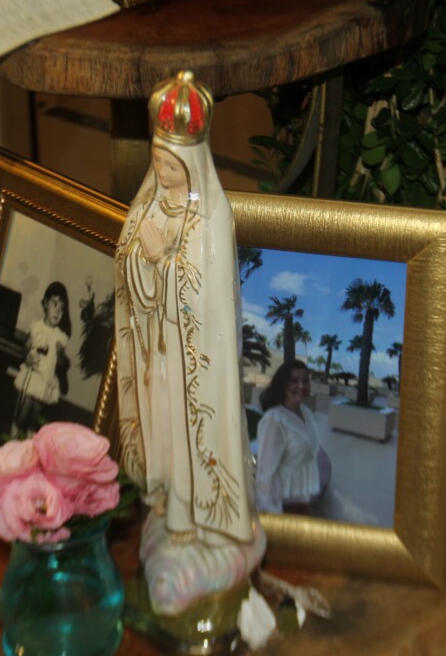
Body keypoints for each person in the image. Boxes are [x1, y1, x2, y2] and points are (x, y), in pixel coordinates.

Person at [114, 71, 264, 615]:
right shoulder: (149, 205)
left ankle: (195, 518)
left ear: (194, 164)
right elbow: (128, 258)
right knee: (162, 433)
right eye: (157, 162)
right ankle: (165, 503)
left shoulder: (212, 216)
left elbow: (207, 295)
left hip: (192, 365)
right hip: (157, 354)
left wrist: (162, 260)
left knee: (186, 432)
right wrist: (141, 257)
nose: (162, 173)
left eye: (172, 166)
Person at [255, 360, 324, 514]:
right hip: (282, 506)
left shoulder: (305, 412)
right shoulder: (275, 420)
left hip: (302, 501)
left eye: (305, 381)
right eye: (294, 381)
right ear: (282, 384)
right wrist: (271, 517)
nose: (301, 386)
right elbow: (265, 475)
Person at [11, 281, 71, 437]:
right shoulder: (36, 327)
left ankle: (30, 441)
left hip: (45, 381)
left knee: (35, 418)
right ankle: (13, 437)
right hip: (32, 377)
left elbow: (61, 364)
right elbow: (25, 348)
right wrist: (27, 356)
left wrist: (60, 355)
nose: (57, 311)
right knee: (22, 413)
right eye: (54, 304)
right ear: (45, 304)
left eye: (61, 308)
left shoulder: (60, 337)